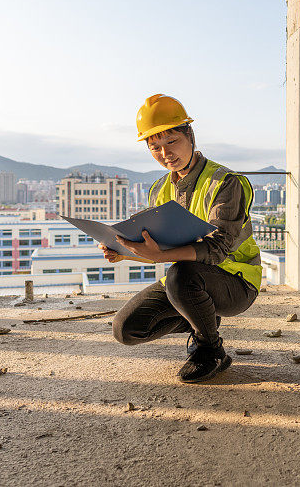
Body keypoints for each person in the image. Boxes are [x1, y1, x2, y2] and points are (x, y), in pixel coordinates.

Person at [102, 94, 262, 383]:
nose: (165, 154)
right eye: (155, 147)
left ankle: (211, 349)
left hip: (235, 281)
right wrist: (123, 250)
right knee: (126, 329)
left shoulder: (226, 182)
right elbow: (160, 245)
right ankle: (202, 320)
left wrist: (162, 257)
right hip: (187, 281)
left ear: (190, 135)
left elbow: (218, 249)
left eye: (172, 142)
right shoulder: (159, 189)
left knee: (180, 275)